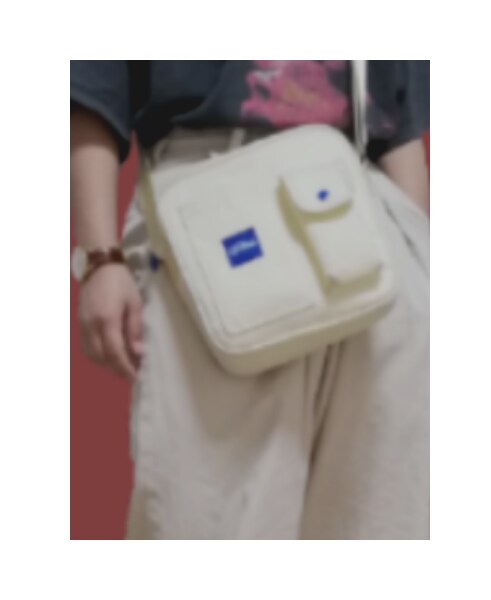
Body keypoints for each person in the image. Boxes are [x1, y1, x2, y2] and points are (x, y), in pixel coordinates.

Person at [70, 60, 430, 539]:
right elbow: (94, 87)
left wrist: (420, 262)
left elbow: (399, 119)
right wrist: (99, 256)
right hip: (211, 199)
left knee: (384, 523)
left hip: (359, 209)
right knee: (206, 522)